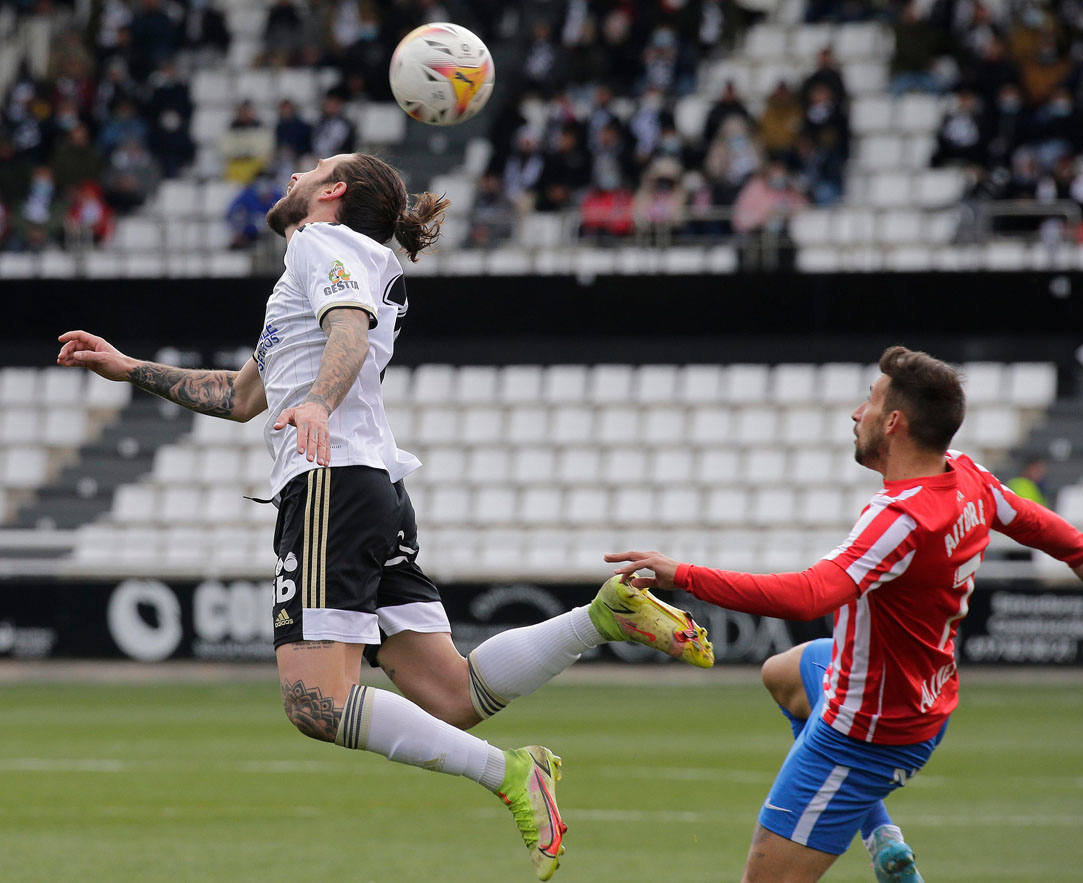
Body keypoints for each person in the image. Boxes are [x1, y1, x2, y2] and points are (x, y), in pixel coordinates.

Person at [56, 151, 715, 882]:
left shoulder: (322, 243)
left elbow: (348, 332)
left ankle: (511, 773)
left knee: (315, 701)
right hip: (371, 486)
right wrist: (130, 367)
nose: (297, 172)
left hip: (330, 481)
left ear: (331, 192)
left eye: (315, 167)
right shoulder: (321, 264)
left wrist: (317, 403)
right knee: (452, 695)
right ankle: (604, 616)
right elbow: (242, 397)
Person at [607, 345, 1083, 883]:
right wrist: (1079, 550)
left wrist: (682, 575)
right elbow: (1022, 515)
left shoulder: (901, 519)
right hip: (914, 693)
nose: (858, 414)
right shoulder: (966, 478)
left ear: (895, 422)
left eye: (870, 401)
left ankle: (866, 816)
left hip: (866, 732)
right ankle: (883, 839)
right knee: (783, 674)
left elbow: (809, 595)